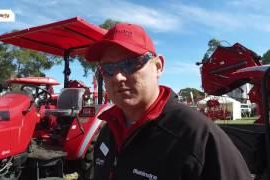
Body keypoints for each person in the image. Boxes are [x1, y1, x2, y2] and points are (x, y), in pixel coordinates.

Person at [85, 23, 252, 180]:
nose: (118, 77)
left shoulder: (197, 136)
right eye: (108, 68)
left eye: (130, 63)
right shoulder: (108, 130)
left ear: (158, 66)